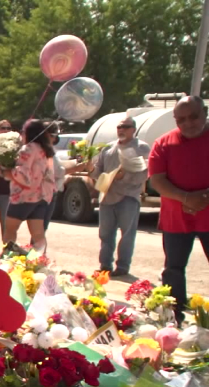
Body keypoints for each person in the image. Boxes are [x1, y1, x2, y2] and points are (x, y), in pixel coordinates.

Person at [148, 95, 209, 321]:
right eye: (181, 119)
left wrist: (203, 198)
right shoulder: (163, 143)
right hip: (177, 220)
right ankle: (174, 319)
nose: (188, 123)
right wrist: (186, 199)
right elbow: (157, 181)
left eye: (193, 117)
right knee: (173, 270)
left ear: (204, 113)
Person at [90, 116, 150, 277]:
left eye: (126, 127)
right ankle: (105, 266)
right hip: (107, 197)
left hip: (128, 197)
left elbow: (145, 174)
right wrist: (90, 168)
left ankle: (123, 268)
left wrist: (123, 177)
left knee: (127, 234)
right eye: (119, 127)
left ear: (133, 129)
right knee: (105, 234)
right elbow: (98, 171)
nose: (121, 130)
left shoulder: (142, 148)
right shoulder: (108, 148)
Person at [3, 119, 56, 252]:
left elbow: (24, 175)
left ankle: (7, 259)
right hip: (42, 196)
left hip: (23, 197)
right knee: (38, 235)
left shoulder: (28, 149)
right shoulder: (45, 150)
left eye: (22, 131)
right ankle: (40, 262)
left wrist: (7, 171)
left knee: (9, 231)